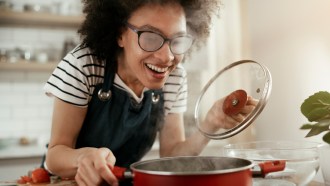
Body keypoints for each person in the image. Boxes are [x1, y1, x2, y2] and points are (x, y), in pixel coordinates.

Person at [43, 0, 256, 185]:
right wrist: (83, 158)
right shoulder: (84, 65)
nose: (167, 57)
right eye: (151, 37)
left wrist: (210, 123)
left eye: (178, 40)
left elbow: (172, 155)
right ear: (120, 35)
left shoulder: (174, 77)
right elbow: (55, 155)